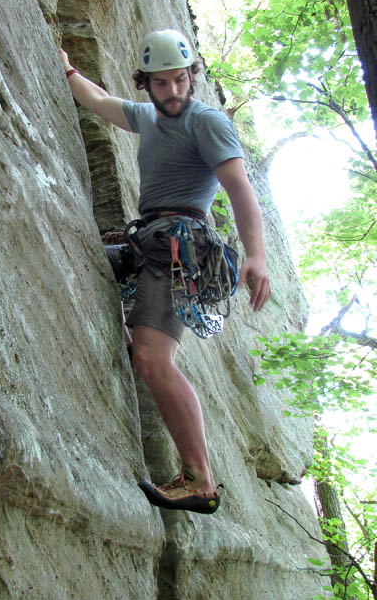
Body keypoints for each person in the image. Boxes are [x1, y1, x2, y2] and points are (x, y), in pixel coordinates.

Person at [59, 29, 271, 514]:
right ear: (146, 84)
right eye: (162, 84)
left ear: (192, 76)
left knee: (154, 361)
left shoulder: (207, 121)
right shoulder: (148, 117)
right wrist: (67, 67)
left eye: (180, 80)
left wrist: (256, 255)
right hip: (148, 242)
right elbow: (98, 100)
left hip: (181, 251)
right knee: (80, 256)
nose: (173, 92)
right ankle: (134, 327)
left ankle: (201, 480)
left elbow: (239, 188)